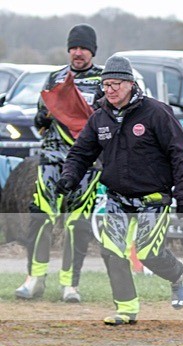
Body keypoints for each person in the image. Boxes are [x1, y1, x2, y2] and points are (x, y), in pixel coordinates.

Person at [55, 55, 183, 326]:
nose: (110, 89)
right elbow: (81, 153)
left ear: (130, 84)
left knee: (148, 253)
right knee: (112, 251)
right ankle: (127, 309)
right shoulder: (99, 119)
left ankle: (178, 276)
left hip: (154, 198)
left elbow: (180, 154)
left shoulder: (156, 113)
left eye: (116, 84)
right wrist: (69, 177)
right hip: (117, 198)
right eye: (106, 85)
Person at [15, 24, 104, 303]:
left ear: (92, 51)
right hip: (52, 159)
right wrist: (45, 116)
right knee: (41, 217)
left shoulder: (104, 80)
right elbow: (40, 119)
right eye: (74, 48)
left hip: (86, 164)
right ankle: (34, 279)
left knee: (77, 224)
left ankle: (70, 284)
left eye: (83, 48)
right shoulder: (55, 77)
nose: (78, 53)